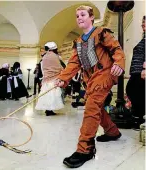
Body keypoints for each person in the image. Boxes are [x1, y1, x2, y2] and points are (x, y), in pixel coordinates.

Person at [55, 5, 125, 168]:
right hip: (90, 79)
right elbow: (73, 63)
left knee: (91, 108)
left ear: (91, 17)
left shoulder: (102, 33)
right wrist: (62, 79)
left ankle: (85, 149)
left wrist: (119, 63)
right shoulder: (78, 42)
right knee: (96, 108)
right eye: (77, 15)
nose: (79, 17)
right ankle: (112, 131)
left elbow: (116, 49)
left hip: (105, 74)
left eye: (83, 14)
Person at [126, 16, 145, 129]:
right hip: (136, 71)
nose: (143, 24)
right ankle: (139, 118)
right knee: (135, 92)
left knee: (135, 92)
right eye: (142, 22)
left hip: (141, 71)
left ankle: (140, 118)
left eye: (145, 22)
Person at [35, 42, 64, 116]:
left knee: (46, 95)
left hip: (46, 79)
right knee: (52, 96)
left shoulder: (44, 57)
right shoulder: (56, 56)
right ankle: (49, 110)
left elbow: (42, 68)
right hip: (54, 79)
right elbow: (59, 68)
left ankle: (47, 109)